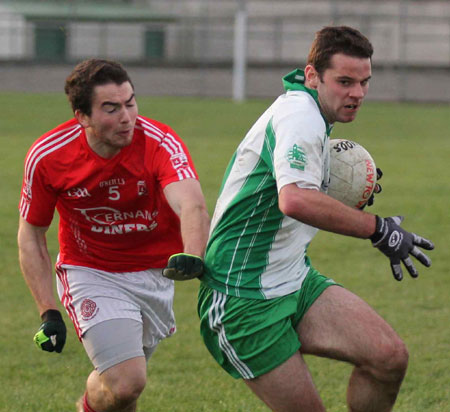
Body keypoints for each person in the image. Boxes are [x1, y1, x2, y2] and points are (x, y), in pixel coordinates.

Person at [197, 26, 434, 412]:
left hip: (293, 280)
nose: (356, 93)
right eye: (344, 81)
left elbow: (294, 191)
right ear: (312, 76)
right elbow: (294, 200)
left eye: (363, 82)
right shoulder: (300, 117)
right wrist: (380, 231)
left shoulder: (311, 112)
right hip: (242, 296)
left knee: (389, 358)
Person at [18, 58, 210, 412]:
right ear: (82, 116)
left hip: (154, 276)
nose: (127, 116)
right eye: (111, 108)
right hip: (90, 272)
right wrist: (48, 312)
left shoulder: (159, 141)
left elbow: (191, 204)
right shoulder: (49, 157)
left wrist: (193, 254)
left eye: (130, 102)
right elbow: (31, 234)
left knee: (121, 393)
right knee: (127, 381)